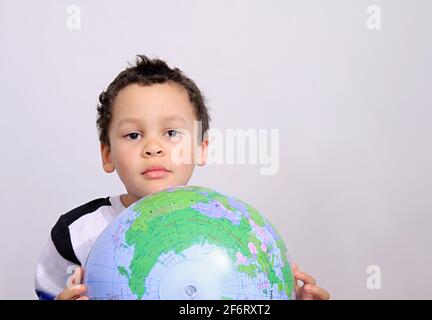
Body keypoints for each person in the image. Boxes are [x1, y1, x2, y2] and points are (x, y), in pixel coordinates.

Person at [35, 55, 330, 300]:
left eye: (172, 133)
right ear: (108, 154)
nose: (154, 147)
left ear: (202, 149)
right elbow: (47, 293)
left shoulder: (234, 228)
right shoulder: (75, 232)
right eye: (133, 135)